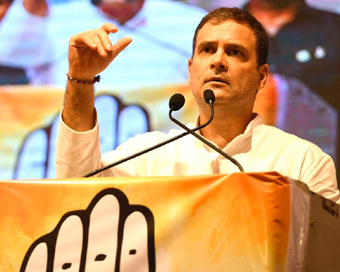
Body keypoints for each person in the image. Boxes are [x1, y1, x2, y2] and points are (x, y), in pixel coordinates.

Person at [56, 7, 340, 204]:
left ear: (261, 76)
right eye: (207, 49)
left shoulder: (305, 163)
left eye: (234, 52)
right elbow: (77, 189)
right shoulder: (149, 156)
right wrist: (81, 78)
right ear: (191, 69)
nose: (218, 60)